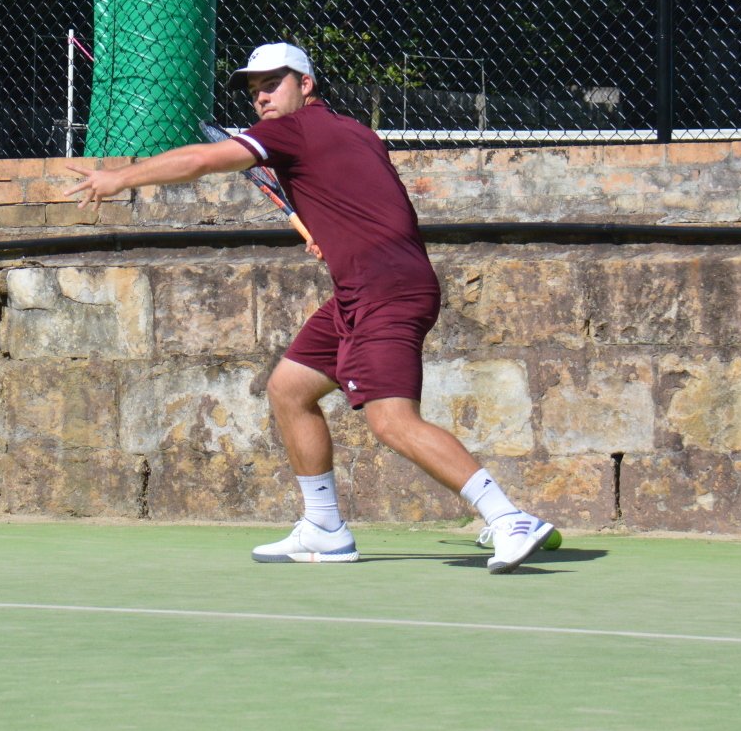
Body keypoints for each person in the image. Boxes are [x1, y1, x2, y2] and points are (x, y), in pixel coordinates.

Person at [63, 42, 556, 572]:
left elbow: (205, 159)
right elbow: (368, 201)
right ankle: (324, 526)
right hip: (366, 285)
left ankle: (507, 518)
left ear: (306, 83)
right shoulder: (357, 133)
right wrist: (334, 235)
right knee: (289, 388)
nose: (261, 98)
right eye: (254, 91)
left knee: (391, 420)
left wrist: (121, 177)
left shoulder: (290, 132)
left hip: (383, 291)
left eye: (273, 84)